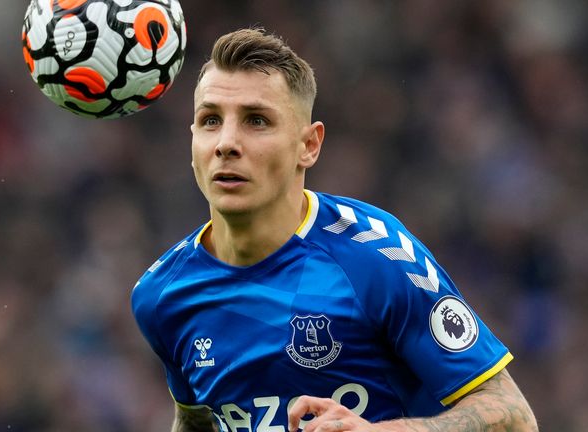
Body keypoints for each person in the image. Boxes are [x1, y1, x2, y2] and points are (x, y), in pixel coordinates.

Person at [131, 28, 538, 432]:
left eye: (256, 120)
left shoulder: (377, 256)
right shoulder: (163, 295)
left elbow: (513, 416)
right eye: (210, 120)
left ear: (309, 145)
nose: (226, 143)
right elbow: (197, 421)